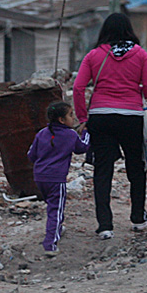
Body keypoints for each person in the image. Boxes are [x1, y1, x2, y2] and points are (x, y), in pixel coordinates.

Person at [73, 12, 147, 240]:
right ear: (129, 30)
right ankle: (138, 218)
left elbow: (78, 88)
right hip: (131, 117)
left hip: (100, 116)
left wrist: (83, 118)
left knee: (103, 170)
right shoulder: (141, 55)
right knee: (136, 167)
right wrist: (134, 94)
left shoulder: (93, 56)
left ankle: (105, 225)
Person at [27, 101, 90, 256]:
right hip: (57, 179)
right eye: (70, 115)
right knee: (56, 210)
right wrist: (87, 133)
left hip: (39, 177)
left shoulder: (42, 133)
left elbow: (31, 155)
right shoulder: (70, 135)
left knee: (52, 205)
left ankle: (57, 229)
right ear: (62, 120)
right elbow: (82, 148)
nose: (73, 118)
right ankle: (50, 244)